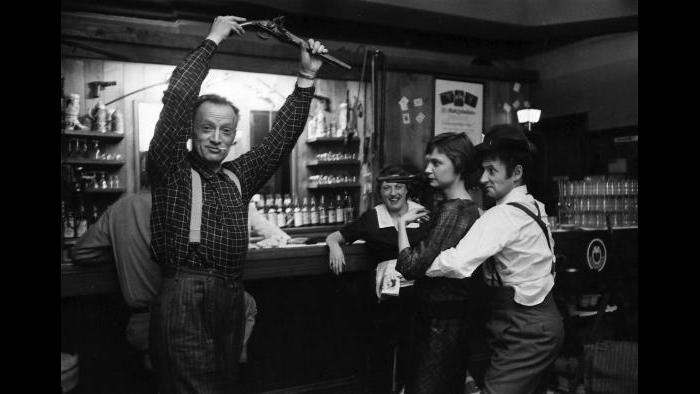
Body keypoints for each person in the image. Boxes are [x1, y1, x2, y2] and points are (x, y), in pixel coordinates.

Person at [146, 15, 327, 393]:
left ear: (234, 137)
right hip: (184, 294)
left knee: (225, 385)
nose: (216, 138)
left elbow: (280, 139)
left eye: (225, 131)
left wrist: (306, 77)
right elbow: (179, 97)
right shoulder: (171, 167)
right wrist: (213, 39)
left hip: (230, 294)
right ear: (191, 133)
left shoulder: (237, 176)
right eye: (207, 128)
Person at [424, 124, 565, 394]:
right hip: (540, 320)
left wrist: (415, 264)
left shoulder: (502, 216)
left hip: (527, 329)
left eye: (492, 171)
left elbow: (455, 263)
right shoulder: (533, 205)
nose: (483, 179)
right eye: (483, 170)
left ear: (517, 173)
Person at [394, 132, 490, 394]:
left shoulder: (453, 210)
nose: (428, 170)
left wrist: (401, 224)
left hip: (438, 327)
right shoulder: (468, 207)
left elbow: (409, 266)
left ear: (458, 164)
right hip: (450, 324)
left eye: (436, 163)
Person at [326, 164, 429, 393]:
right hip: (383, 300)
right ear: (380, 191)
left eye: (398, 187)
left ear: (407, 190)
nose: (393, 193)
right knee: (381, 351)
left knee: (413, 350)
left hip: (417, 296)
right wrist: (334, 247)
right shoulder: (372, 217)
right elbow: (335, 237)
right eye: (387, 188)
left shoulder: (423, 215)